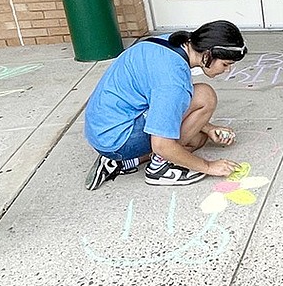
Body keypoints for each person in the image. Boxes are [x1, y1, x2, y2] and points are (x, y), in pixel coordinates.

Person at [83, 20, 248, 190]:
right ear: (207, 55)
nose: (227, 70)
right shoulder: (173, 82)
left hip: (103, 128)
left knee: (198, 139)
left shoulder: (172, 42)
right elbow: (161, 144)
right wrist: (208, 166)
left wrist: (208, 127)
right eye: (226, 64)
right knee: (205, 96)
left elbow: (163, 102)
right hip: (119, 138)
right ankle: (159, 168)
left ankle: (122, 162)